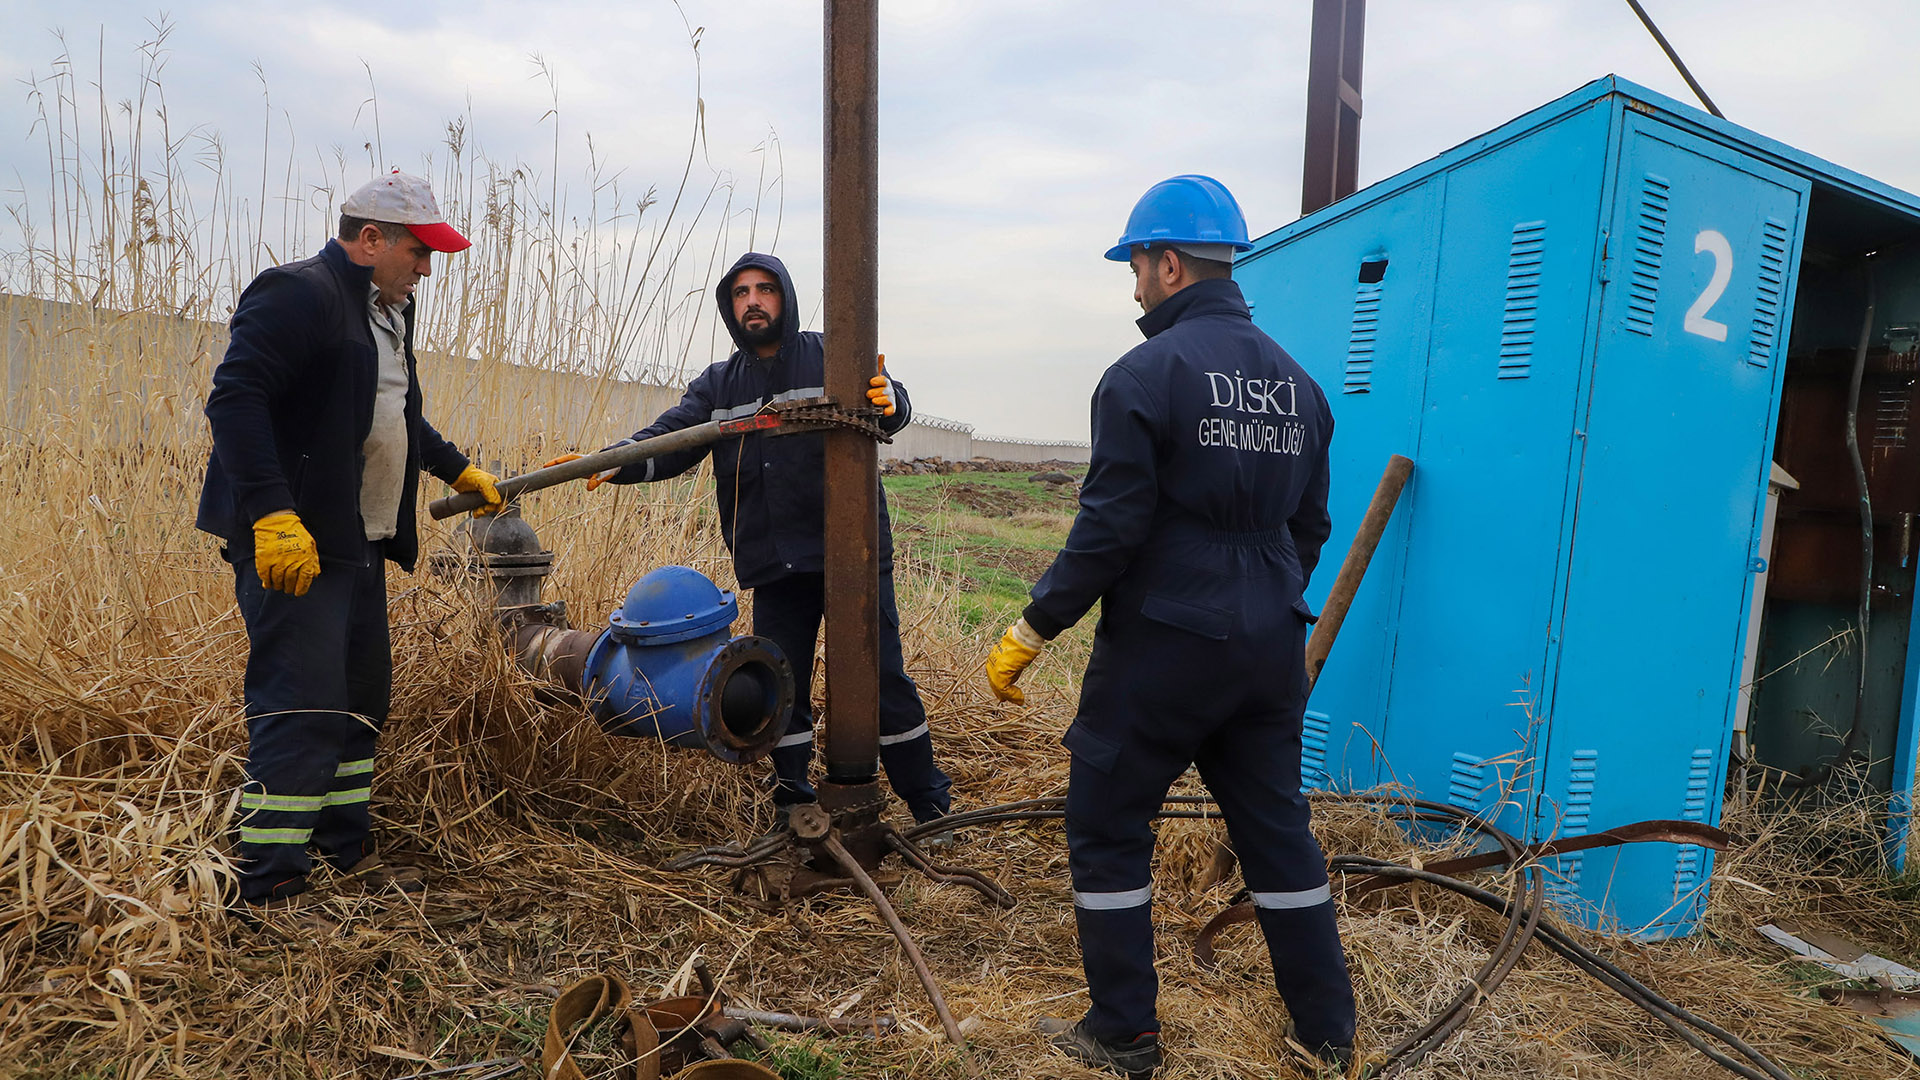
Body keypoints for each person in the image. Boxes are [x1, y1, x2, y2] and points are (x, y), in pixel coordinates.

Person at [982, 175, 1356, 1076]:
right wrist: (1264, 601)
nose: (1135, 285)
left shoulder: (1143, 376)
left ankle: (1124, 1032)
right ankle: (1328, 1033)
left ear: (1171, 261)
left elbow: (1108, 529)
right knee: (1276, 831)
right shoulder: (1303, 390)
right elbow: (1309, 528)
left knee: (1108, 823)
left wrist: (1033, 628)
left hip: (1163, 652)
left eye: (1139, 265)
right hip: (1273, 648)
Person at [551, 252, 952, 828]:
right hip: (773, 563)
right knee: (780, 680)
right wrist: (609, 461)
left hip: (852, 558)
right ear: (729, 306)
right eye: (741, 294)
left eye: (764, 289)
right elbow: (671, 440)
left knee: (881, 677)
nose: (753, 302)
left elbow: (887, 399)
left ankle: (929, 807)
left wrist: (893, 404)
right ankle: (794, 801)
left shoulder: (830, 354)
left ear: (784, 297)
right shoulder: (719, 384)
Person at [197, 169, 504, 908]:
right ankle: (270, 885)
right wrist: (272, 514)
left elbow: (391, 411)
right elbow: (235, 398)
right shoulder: (299, 293)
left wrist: (456, 469)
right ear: (369, 239)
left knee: (360, 701)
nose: (428, 270)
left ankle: (341, 853)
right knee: (302, 706)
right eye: (418, 253)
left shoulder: (386, 308)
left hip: (358, 541)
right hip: (294, 545)